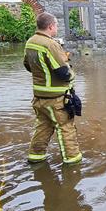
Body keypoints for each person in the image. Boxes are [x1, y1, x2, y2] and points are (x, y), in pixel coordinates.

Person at [23, 12, 82, 164]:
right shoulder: (50, 44)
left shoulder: (31, 42)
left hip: (39, 98)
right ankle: (73, 162)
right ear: (50, 26)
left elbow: (27, 65)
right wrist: (71, 71)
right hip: (56, 99)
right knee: (66, 129)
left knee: (43, 127)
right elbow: (63, 73)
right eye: (56, 25)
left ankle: (36, 156)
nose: (56, 28)